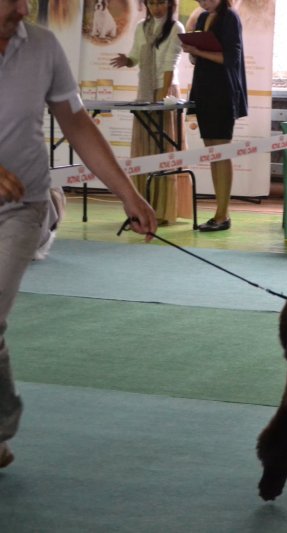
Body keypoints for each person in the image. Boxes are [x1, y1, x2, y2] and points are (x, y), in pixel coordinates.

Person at [0, 0, 157, 468]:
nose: (24, 8)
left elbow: (76, 122)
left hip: (21, 207)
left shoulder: (44, 47)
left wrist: (129, 194)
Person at [110, 0, 191, 226]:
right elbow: (135, 55)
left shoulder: (177, 28)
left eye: (161, 3)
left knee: (162, 149)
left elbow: (169, 65)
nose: (157, 8)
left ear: (170, 4)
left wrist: (160, 100)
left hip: (165, 93)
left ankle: (164, 210)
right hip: (144, 92)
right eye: (152, 3)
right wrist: (127, 61)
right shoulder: (140, 27)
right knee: (144, 150)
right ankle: (142, 207)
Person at [181, 0, 247, 232]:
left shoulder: (230, 17)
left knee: (221, 150)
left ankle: (223, 213)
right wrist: (191, 51)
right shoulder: (200, 19)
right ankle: (220, 212)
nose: (203, 2)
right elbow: (198, 58)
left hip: (223, 91)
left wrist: (199, 50)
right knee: (212, 151)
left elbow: (230, 59)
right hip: (204, 89)